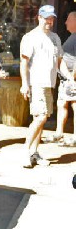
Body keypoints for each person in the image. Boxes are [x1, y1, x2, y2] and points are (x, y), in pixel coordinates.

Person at [19, 4, 73, 168]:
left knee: (42, 119)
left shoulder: (55, 38)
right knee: (41, 116)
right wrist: (24, 84)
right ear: (39, 17)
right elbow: (24, 62)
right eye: (46, 17)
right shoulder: (30, 37)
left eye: (52, 18)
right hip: (36, 84)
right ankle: (25, 151)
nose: (49, 21)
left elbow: (60, 62)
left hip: (50, 85)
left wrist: (70, 78)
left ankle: (34, 153)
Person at [48, 11, 76, 146]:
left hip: (72, 77)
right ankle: (59, 132)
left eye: (68, 20)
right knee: (61, 104)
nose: (65, 23)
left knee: (75, 106)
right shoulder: (72, 37)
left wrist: (73, 77)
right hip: (66, 78)